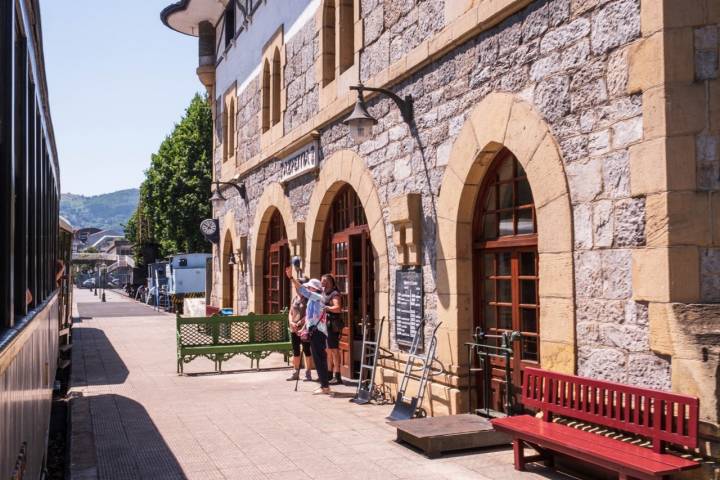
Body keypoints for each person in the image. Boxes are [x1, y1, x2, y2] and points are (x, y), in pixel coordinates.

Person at [285, 266, 331, 395]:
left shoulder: (317, 297)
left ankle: (325, 387)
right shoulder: (313, 299)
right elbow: (311, 318)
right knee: (318, 358)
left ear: (314, 288)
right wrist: (304, 329)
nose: (307, 288)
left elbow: (302, 290)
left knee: (320, 358)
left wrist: (292, 278)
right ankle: (324, 385)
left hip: (318, 332)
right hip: (314, 331)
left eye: (309, 287)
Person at [287, 278, 314, 382]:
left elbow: (309, 314)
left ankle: (308, 373)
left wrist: (300, 322)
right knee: (296, 351)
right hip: (294, 328)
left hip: (304, 329)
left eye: (298, 286)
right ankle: (295, 372)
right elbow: (290, 312)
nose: (296, 287)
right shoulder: (295, 298)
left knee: (307, 350)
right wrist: (291, 322)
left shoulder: (308, 299)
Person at [321, 274, 343, 385]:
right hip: (325, 325)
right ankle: (329, 373)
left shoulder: (335, 294)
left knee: (334, 350)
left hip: (332, 325)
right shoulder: (324, 293)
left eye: (323, 281)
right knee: (328, 350)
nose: (321, 283)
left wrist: (326, 308)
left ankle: (337, 375)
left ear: (328, 282)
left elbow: (338, 308)